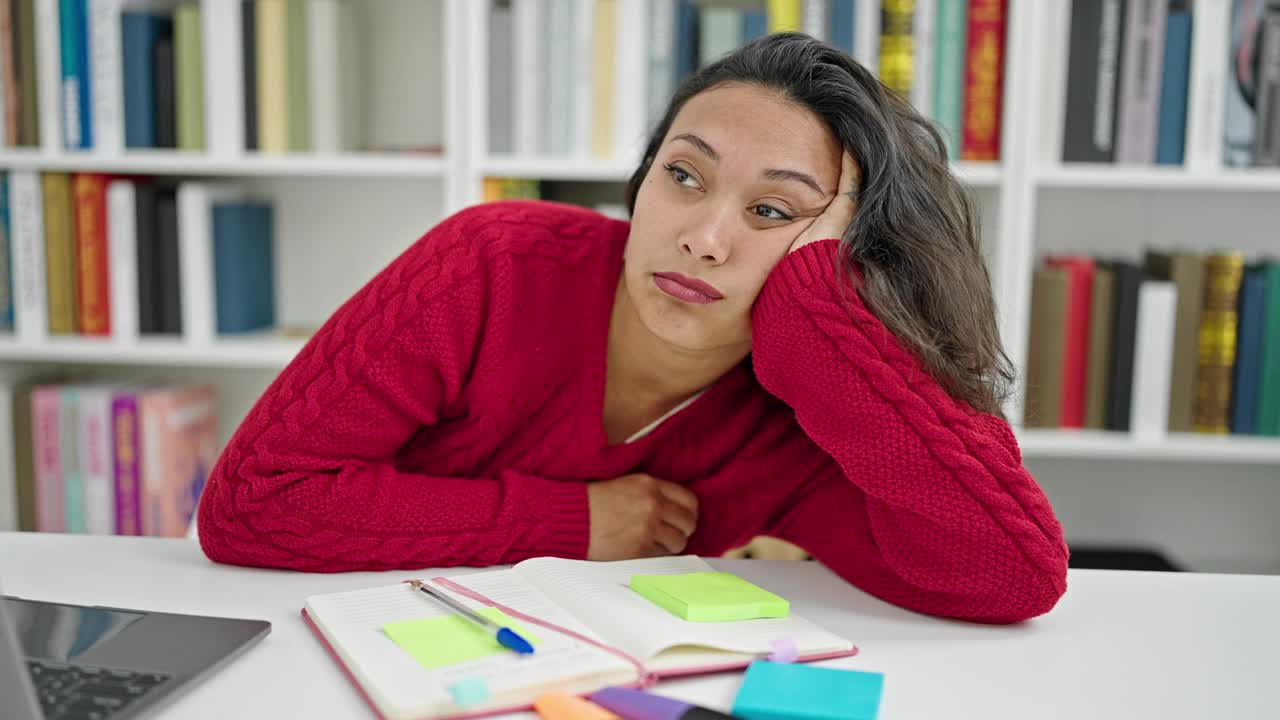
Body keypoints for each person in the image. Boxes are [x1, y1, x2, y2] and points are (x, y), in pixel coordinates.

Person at [197, 33, 1068, 624]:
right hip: (337, 652)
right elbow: (253, 505)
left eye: (772, 209)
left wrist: (825, 310)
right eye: (683, 176)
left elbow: (1010, 574)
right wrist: (567, 522)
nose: (703, 235)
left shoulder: (805, 425)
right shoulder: (494, 266)